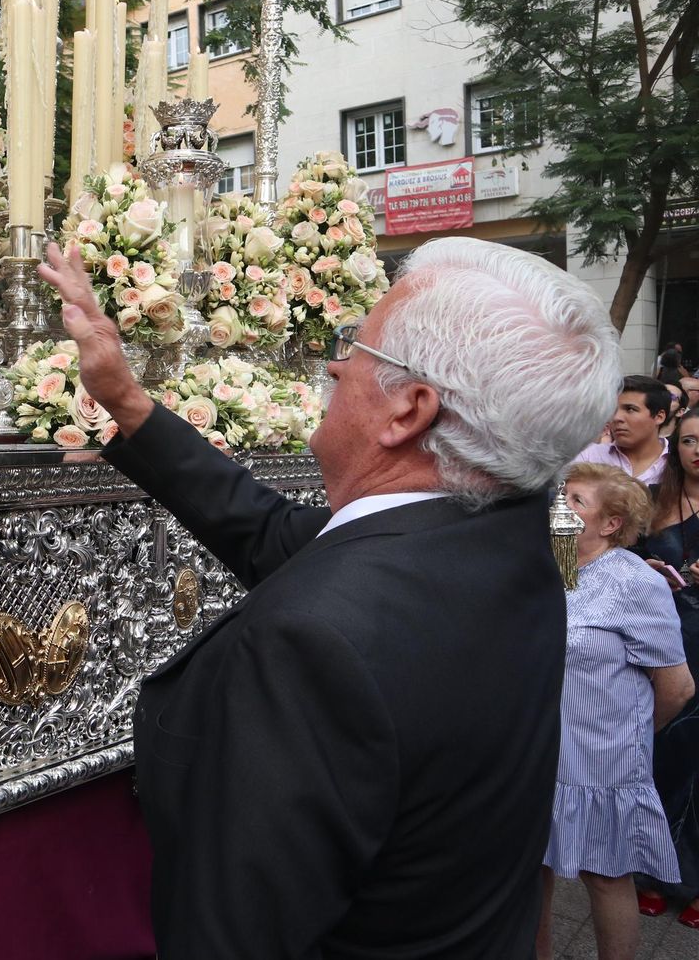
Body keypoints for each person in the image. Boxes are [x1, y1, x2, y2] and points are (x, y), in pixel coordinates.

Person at [37, 235, 622, 957]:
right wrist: (127, 399)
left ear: (408, 409)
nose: (335, 364)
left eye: (358, 348)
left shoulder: (311, 643)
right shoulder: (506, 538)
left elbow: (235, 933)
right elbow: (279, 532)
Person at [537, 463, 692, 960]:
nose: (560, 505)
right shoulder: (547, 565)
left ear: (610, 524)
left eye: (576, 500)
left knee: (605, 875)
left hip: (603, 757)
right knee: (531, 868)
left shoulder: (634, 582)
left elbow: (677, 686)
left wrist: (630, 737)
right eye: (561, 496)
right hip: (540, 748)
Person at [635, 409, 699, 925]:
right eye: (688, 440)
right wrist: (647, 567)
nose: (697, 449)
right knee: (663, 755)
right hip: (665, 642)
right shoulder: (655, 502)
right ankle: (652, 872)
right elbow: (611, 555)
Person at [575, 376, 674, 485]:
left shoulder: (677, 463)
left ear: (659, 417)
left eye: (630, 409)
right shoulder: (588, 457)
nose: (617, 418)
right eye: (613, 410)